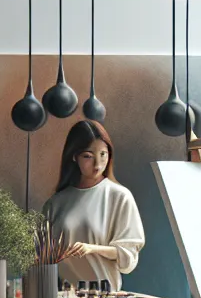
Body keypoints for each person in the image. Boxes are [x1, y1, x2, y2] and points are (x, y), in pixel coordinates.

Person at [43, 119, 145, 288]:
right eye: (88, 156)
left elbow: (128, 257)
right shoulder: (57, 202)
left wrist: (92, 249)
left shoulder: (119, 197)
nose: (98, 165)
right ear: (74, 157)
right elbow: (42, 256)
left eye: (103, 154)